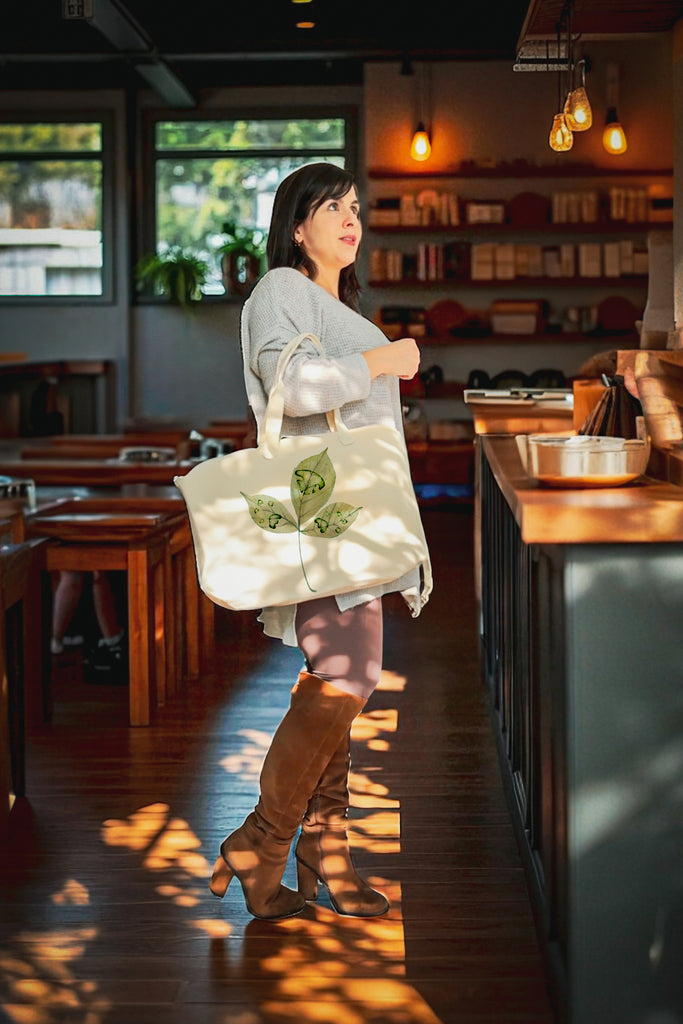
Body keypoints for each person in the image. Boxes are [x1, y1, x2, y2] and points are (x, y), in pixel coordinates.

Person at [208, 162, 426, 921]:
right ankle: (265, 840)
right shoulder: (281, 288)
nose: (349, 217)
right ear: (296, 226)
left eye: (355, 207)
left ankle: (319, 853)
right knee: (346, 677)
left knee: (338, 680)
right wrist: (385, 360)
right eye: (331, 206)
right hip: (322, 510)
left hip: (349, 514)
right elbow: (294, 391)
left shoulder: (329, 301)